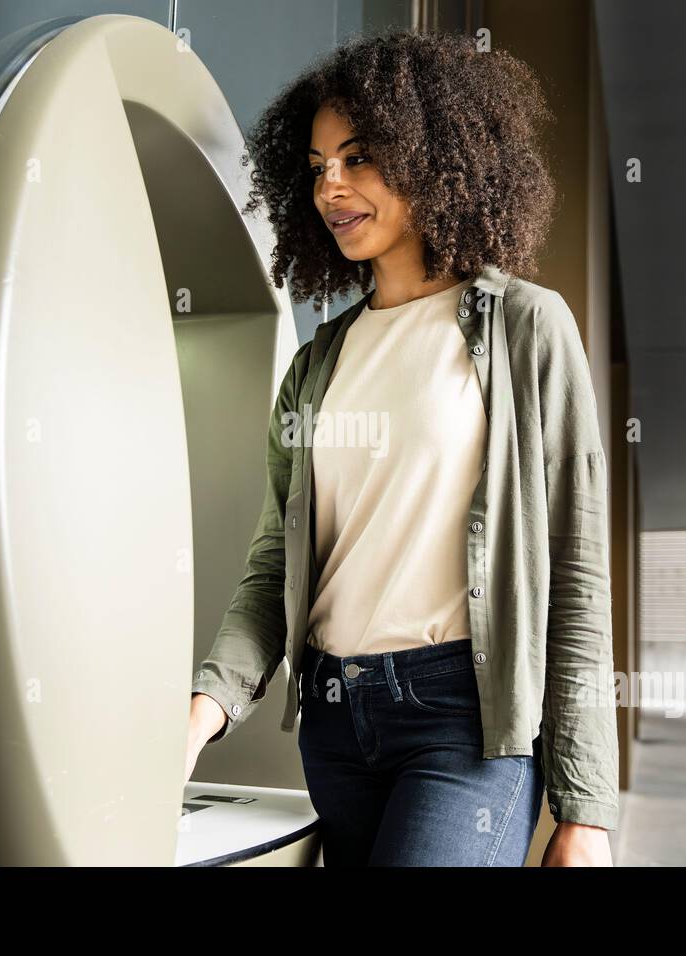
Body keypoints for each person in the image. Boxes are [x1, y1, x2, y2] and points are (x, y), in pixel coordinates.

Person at [186, 29, 618, 866]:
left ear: (434, 155)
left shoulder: (527, 328)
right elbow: (274, 565)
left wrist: (585, 807)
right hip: (336, 724)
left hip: (464, 718)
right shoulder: (317, 366)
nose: (331, 187)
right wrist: (203, 709)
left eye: (359, 158)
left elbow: (577, 573)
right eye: (315, 167)